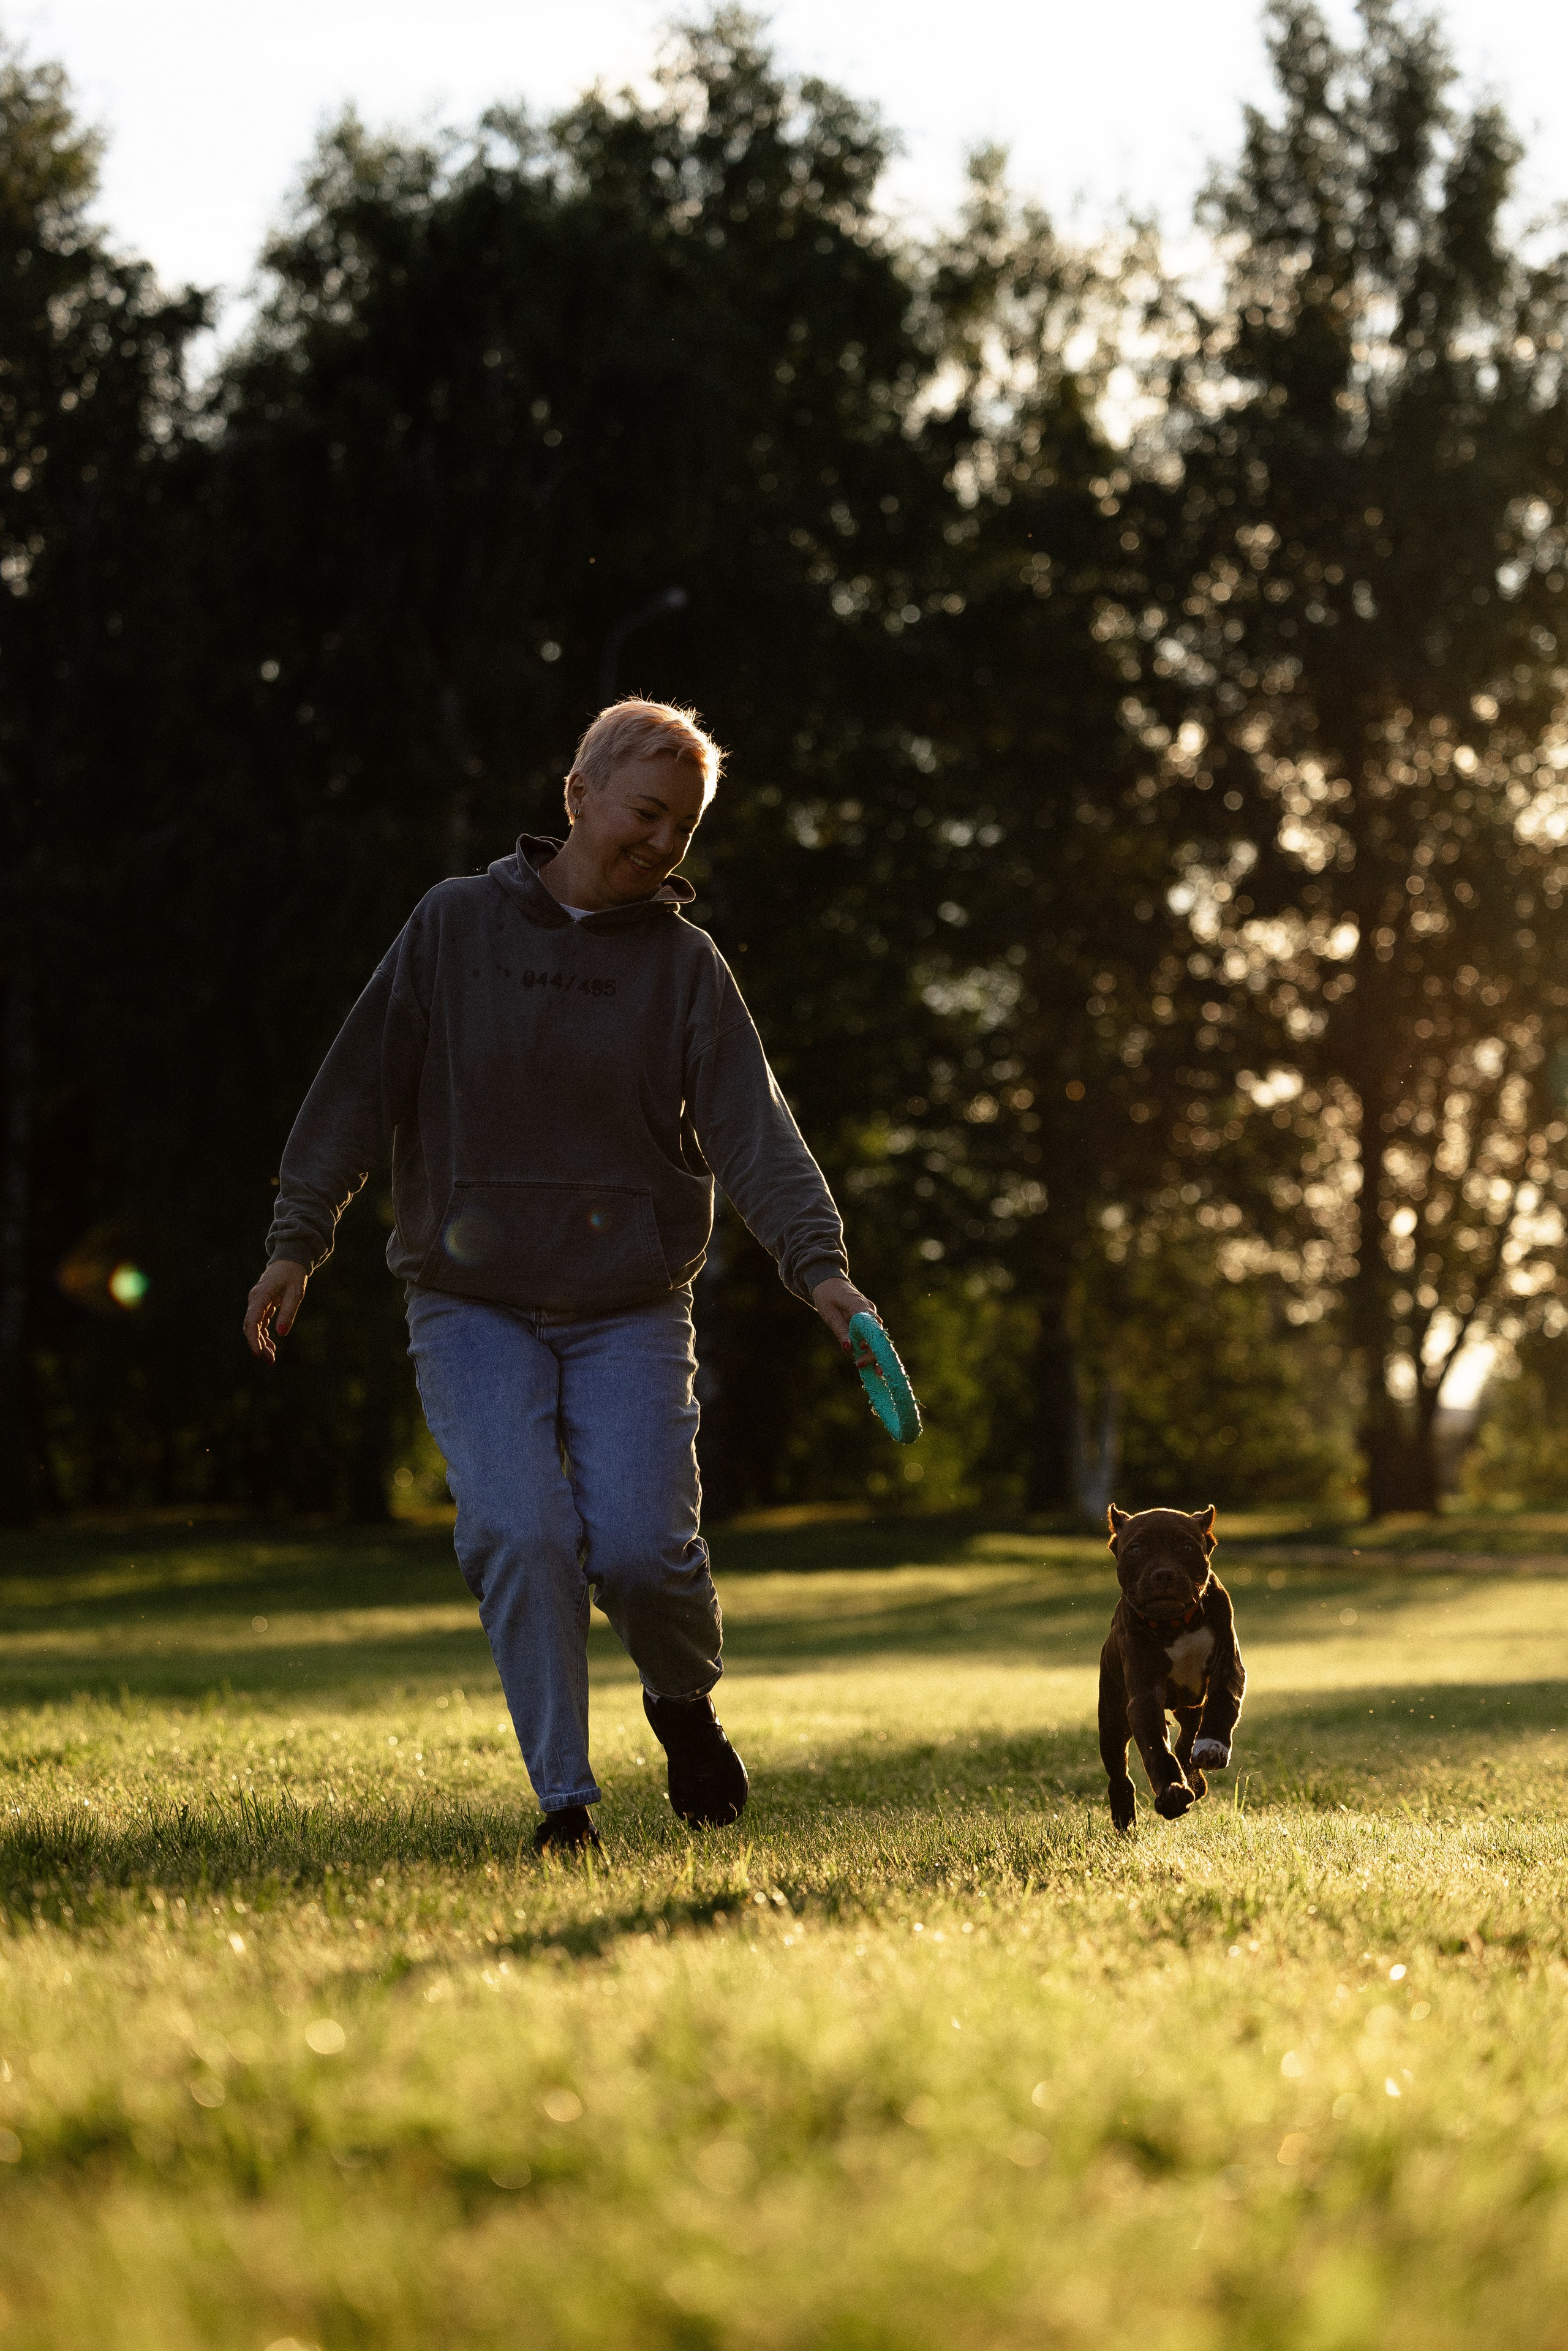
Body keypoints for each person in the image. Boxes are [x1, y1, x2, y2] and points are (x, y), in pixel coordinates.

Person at [243, 698, 878, 1851]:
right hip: (469, 1300)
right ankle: (565, 1804)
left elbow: (755, 1133)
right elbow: (356, 1089)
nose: (661, 842)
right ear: (578, 793)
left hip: (630, 1306)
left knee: (645, 1550)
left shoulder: (687, 967)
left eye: (683, 827)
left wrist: (824, 1273)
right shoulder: (451, 927)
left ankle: (682, 1704)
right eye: (646, 812)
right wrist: (298, 1239)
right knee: (520, 1530)